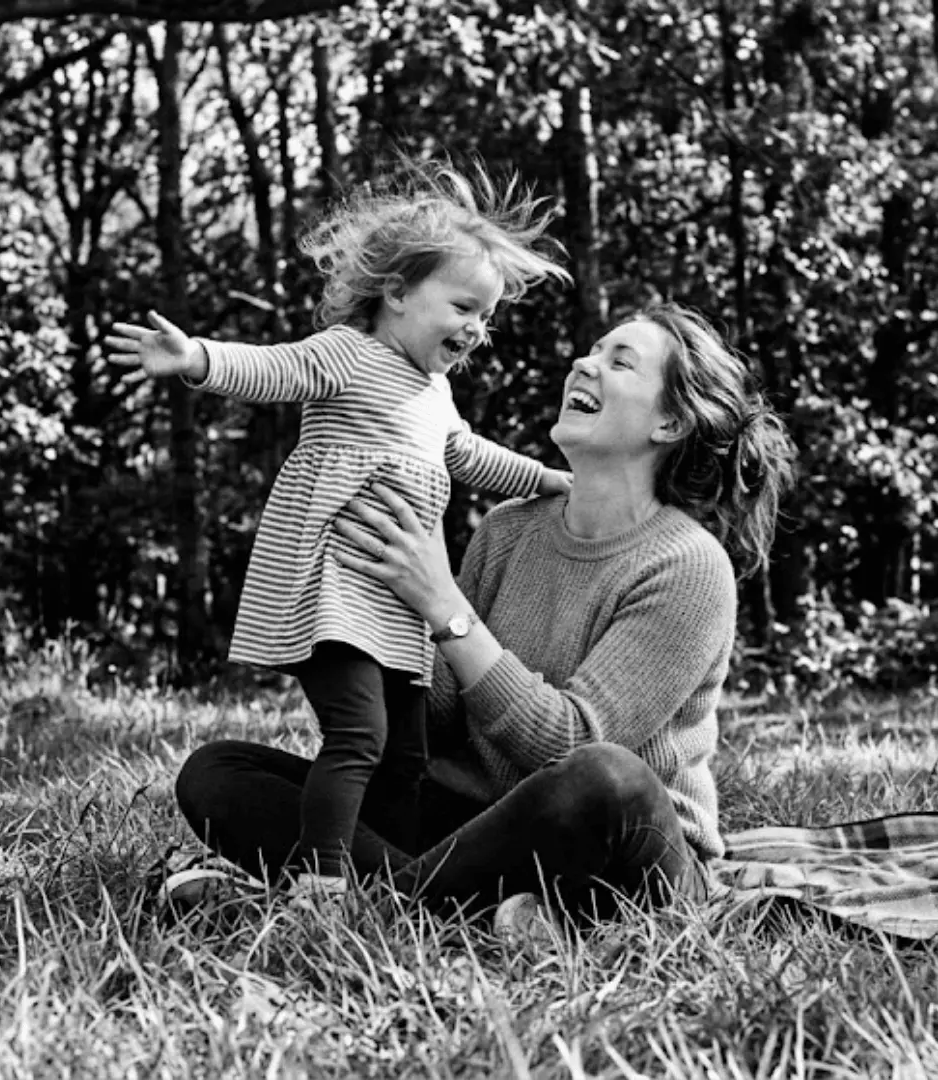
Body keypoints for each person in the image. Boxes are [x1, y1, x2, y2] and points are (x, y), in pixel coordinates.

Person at [169, 303, 797, 930]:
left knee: (603, 776)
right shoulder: (509, 529)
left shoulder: (689, 567)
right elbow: (439, 725)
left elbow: (571, 740)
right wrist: (359, 636)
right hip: (472, 826)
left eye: (619, 361)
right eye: (593, 349)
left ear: (670, 422)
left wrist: (445, 607)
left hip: (618, 849)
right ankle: (470, 909)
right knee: (220, 772)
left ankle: (362, 905)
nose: (585, 362)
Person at [104, 166, 573, 897]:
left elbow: (467, 453)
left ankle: (377, 874)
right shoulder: (349, 353)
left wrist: (545, 481)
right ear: (396, 294)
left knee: (405, 758)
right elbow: (273, 369)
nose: (477, 328)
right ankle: (323, 887)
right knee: (359, 738)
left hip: (396, 608)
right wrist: (196, 358)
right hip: (335, 590)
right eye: (463, 306)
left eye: (486, 315)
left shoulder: (435, 393)